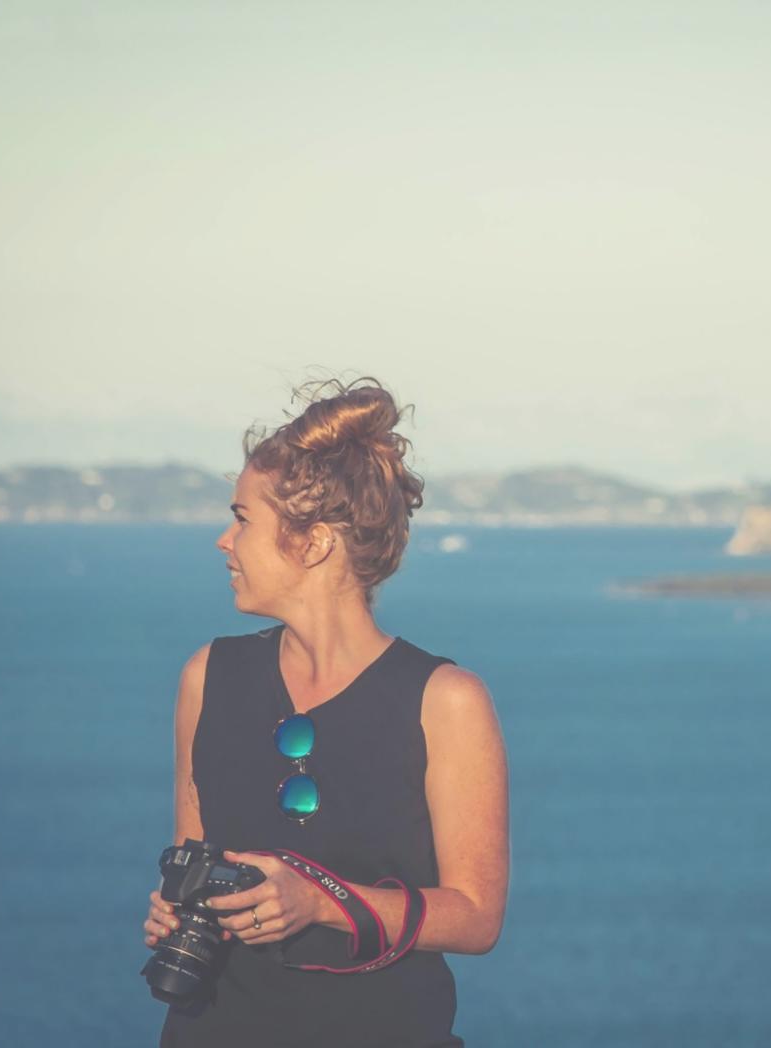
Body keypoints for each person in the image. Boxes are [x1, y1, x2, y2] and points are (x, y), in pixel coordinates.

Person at [143, 376, 510, 1047]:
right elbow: (191, 858)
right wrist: (176, 906)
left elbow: (476, 918)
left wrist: (319, 901)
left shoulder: (445, 700)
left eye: (243, 519)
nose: (224, 542)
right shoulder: (208, 676)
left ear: (311, 543)